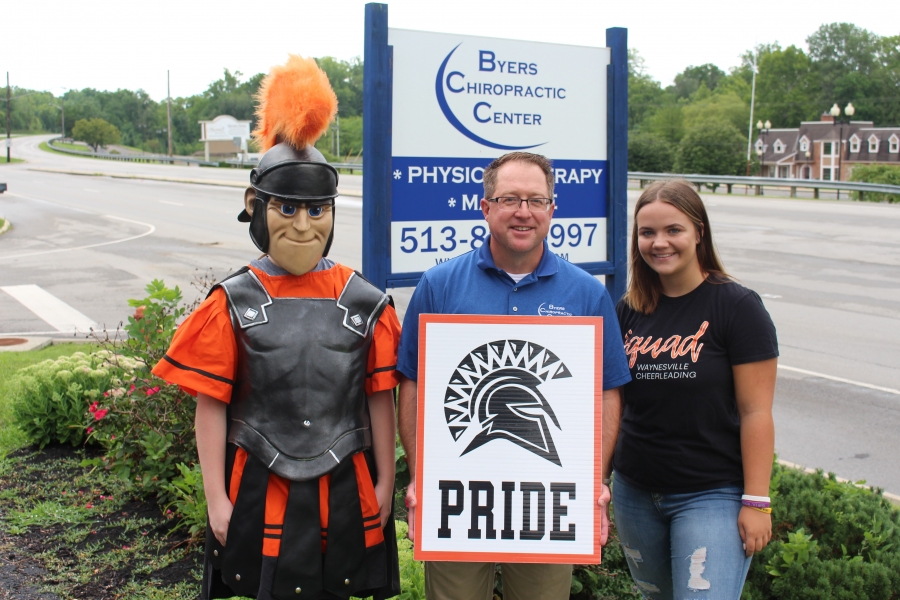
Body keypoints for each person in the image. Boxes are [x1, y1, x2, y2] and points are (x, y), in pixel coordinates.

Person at [152, 56, 401, 600]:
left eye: (318, 209)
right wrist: (216, 498)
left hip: (346, 484)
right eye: (288, 207)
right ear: (255, 206)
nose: (304, 225)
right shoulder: (232, 303)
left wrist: (385, 482)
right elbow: (212, 404)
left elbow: (380, 397)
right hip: (259, 487)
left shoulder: (364, 301)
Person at [396, 151, 632, 600]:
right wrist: (420, 476)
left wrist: (594, 482)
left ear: (552, 210)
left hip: (550, 500)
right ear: (485, 208)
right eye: (510, 199)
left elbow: (605, 393)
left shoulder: (585, 293)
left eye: (536, 200)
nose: (524, 212)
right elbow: (414, 384)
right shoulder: (439, 285)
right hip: (459, 499)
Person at [611, 180, 778, 599]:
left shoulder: (738, 308)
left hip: (711, 494)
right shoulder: (629, 309)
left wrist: (757, 501)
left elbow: (757, 412)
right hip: (634, 493)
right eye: (647, 233)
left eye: (673, 230)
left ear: (698, 232)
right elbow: (611, 403)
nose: (659, 243)